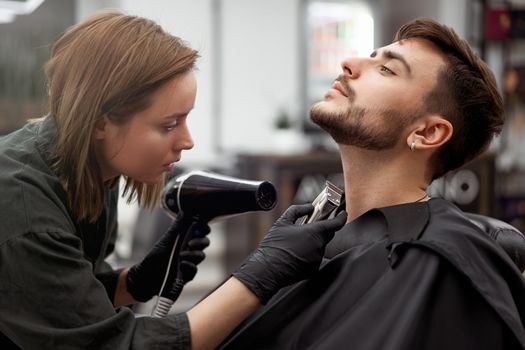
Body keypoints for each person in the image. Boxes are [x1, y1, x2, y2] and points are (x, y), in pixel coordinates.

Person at [0, 10, 347, 350]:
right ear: (101, 122)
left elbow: (63, 304)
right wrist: (260, 276)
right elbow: (112, 344)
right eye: (168, 125)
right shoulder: (25, 210)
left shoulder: (90, 170)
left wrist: (135, 281)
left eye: (186, 119)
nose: (187, 140)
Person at [219, 18, 525, 349]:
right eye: (372, 57)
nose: (349, 64)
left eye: (387, 70)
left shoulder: (439, 267)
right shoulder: (310, 241)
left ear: (427, 133)